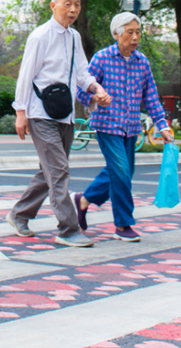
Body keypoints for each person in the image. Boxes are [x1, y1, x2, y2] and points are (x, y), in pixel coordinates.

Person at [7, 0, 111, 247]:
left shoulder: (74, 37)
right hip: (40, 114)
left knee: (49, 172)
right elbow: (25, 75)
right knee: (59, 170)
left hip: (65, 114)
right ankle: (68, 228)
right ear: (53, 6)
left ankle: (18, 214)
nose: (73, 9)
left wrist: (96, 89)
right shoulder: (40, 36)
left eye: (77, 4)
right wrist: (21, 112)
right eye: (67, 3)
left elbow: (81, 73)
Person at [73, 12, 173, 242]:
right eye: (130, 32)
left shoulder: (142, 61)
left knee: (123, 172)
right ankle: (123, 225)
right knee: (121, 171)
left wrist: (163, 126)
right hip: (107, 125)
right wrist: (96, 97)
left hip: (130, 127)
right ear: (117, 33)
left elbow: (151, 98)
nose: (135, 37)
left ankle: (84, 200)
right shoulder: (102, 58)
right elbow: (81, 88)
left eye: (138, 32)